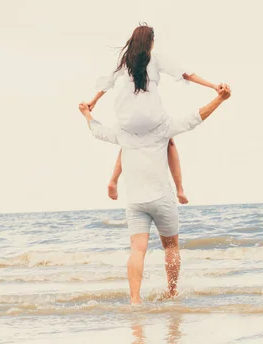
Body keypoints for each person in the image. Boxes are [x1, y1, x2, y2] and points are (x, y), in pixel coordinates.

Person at [78, 84, 231, 304]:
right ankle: (171, 292)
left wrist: (87, 114)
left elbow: (98, 131)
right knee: (170, 246)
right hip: (162, 199)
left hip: (136, 202)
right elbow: (195, 118)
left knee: (137, 250)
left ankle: (135, 299)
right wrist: (220, 99)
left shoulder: (124, 134)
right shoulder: (162, 129)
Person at [86, 24, 221, 204]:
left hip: (126, 116)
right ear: (150, 42)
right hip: (151, 115)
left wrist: (93, 101)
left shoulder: (124, 60)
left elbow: (107, 84)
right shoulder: (155, 59)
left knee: (127, 141)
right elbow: (186, 74)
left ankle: (113, 180)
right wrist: (213, 86)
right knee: (169, 140)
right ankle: (180, 189)